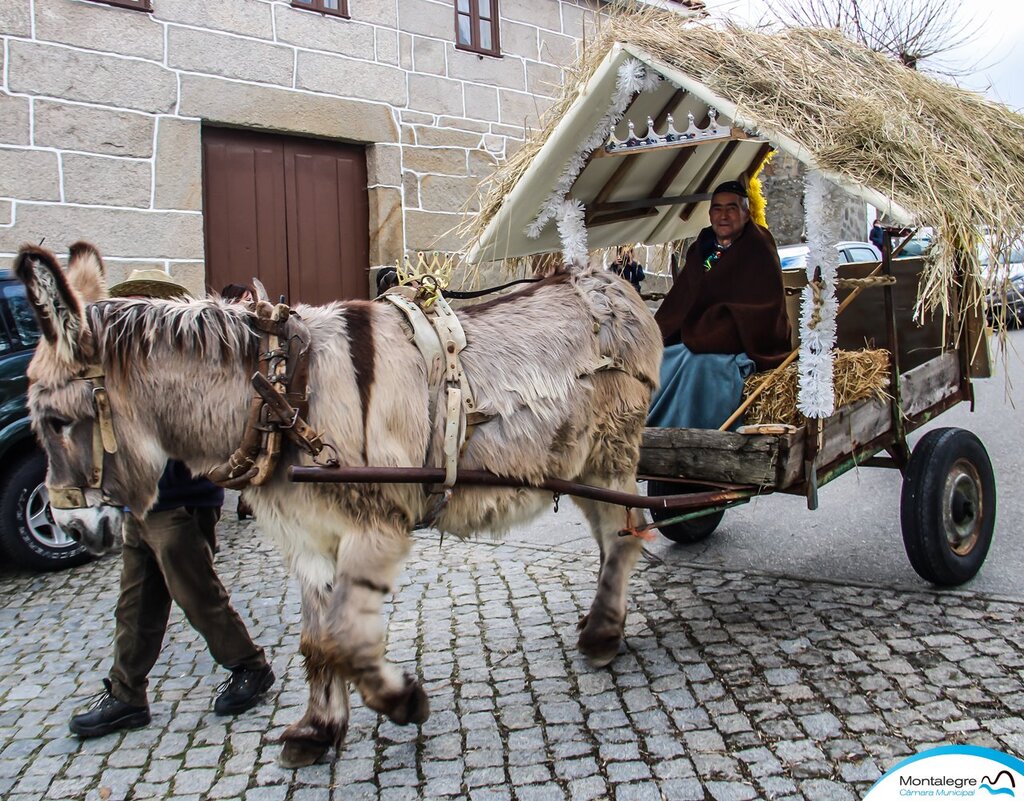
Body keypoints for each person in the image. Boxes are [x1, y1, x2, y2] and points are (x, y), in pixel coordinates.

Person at [69, 270, 274, 739]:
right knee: (136, 602)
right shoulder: (123, 366)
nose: (130, 311)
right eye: (125, 304)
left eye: (140, 303)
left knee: (198, 595)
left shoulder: (184, 363)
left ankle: (250, 667)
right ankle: (126, 695)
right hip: (139, 504)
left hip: (181, 499)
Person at [648, 180, 792, 430]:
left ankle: (687, 430)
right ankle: (652, 428)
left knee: (697, 364)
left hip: (740, 338)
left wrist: (718, 323)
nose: (723, 216)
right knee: (663, 358)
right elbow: (683, 298)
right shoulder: (701, 248)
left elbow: (764, 306)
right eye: (717, 209)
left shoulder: (758, 247)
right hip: (701, 333)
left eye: (732, 208)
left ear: (746, 214)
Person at [220, 283, 256, 520]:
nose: (250, 304)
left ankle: (247, 498)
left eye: (251, 299)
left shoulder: (254, 330)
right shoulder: (222, 333)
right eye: (245, 299)